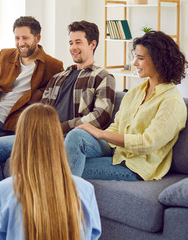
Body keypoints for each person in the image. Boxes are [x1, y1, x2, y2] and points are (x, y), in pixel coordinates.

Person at [0, 20, 115, 203]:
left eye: (78, 42)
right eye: (71, 43)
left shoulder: (102, 77)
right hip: (42, 135)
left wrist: (61, 128)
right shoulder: (59, 77)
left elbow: (101, 116)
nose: (73, 47)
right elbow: (42, 109)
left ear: (92, 44)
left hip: (68, 139)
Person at [65, 30, 187, 181]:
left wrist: (101, 133)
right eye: (136, 57)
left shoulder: (172, 101)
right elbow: (117, 126)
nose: (135, 63)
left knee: (61, 168)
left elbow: (147, 143)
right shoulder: (135, 92)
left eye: (140, 58)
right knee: (75, 136)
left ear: (158, 60)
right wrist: (95, 135)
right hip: (114, 151)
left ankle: (62, 202)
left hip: (135, 166)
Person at [0, 103, 101, 240]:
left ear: (20, 141)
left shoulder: (3, 191)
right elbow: (93, 234)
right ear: (58, 140)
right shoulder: (85, 189)